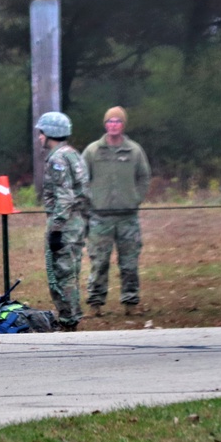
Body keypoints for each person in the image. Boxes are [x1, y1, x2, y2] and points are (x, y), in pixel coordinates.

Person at [81, 107, 152, 317]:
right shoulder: (93, 151)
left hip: (127, 217)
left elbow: (144, 177)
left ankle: (131, 303)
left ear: (123, 125)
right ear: (105, 125)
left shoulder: (134, 151)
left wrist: (135, 199)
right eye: (110, 121)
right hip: (99, 217)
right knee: (99, 262)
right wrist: (89, 202)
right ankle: (95, 304)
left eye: (117, 121)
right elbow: (82, 179)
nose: (113, 125)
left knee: (129, 263)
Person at [35, 111, 89, 332]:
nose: (39, 137)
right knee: (72, 272)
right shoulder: (73, 154)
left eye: (41, 133)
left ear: (51, 133)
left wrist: (56, 229)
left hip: (64, 224)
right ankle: (71, 316)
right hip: (76, 222)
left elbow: (64, 196)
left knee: (62, 273)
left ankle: (68, 320)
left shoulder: (57, 159)